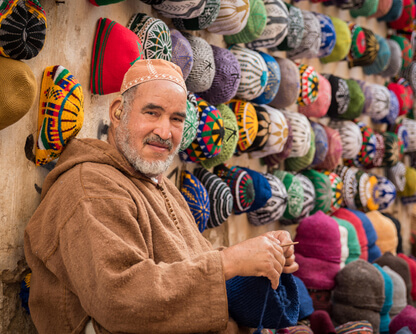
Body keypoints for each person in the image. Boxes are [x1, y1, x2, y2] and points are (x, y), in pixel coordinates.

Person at [24, 59, 299, 334]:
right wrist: (229, 262)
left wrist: (262, 254)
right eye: (152, 113)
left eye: (176, 119)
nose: (165, 132)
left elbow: (189, 260)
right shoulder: (90, 187)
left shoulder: (159, 185)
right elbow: (121, 299)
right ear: (118, 112)